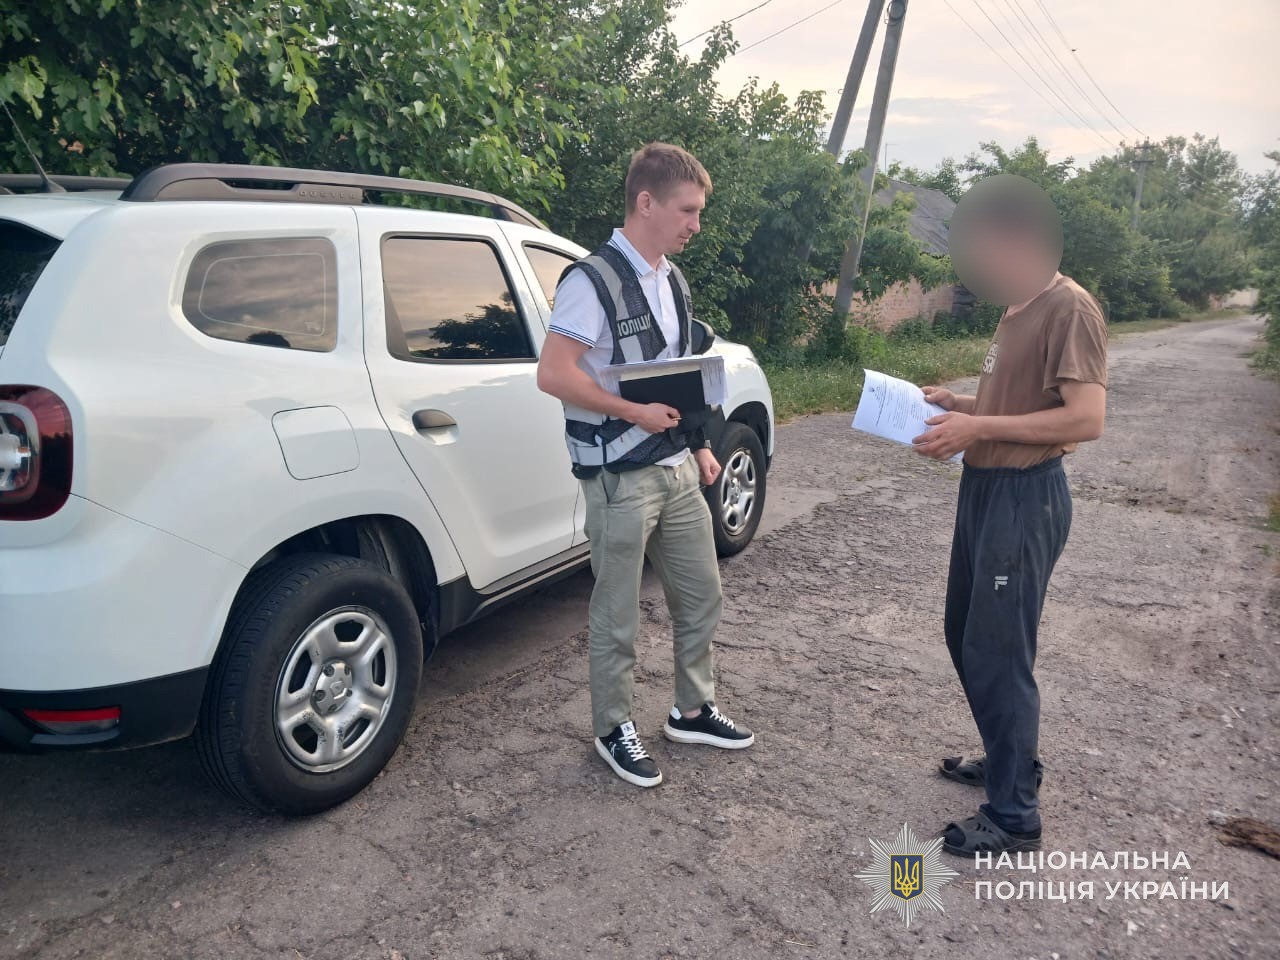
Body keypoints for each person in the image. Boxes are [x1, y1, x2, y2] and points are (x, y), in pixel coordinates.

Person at [536, 142, 753, 789]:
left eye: (698, 212)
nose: (696, 225)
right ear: (647, 202)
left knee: (701, 594)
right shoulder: (590, 282)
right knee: (618, 613)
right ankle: (613, 728)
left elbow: (677, 374)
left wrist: (701, 443)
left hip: (677, 466)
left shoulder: (671, 280)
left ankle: (692, 710)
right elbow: (553, 374)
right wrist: (632, 413)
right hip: (620, 477)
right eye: (688, 211)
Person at [912, 178, 1107, 855]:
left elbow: (1085, 418)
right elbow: (1019, 401)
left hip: (1024, 497)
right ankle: (1008, 759)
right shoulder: (1016, 307)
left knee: (999, 651)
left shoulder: (1068, 307)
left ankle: (1015, 813)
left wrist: (979, 427)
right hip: (985, 489)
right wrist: (962, 405)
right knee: (965, 634)